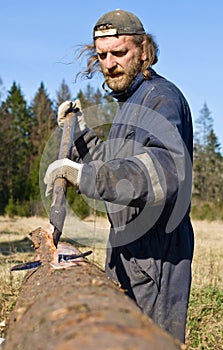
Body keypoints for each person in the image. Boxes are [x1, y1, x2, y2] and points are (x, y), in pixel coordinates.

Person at [44, 9, 194, 343]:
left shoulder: (160, 99)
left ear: (144, 50)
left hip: (157, 257)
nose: (109, 63)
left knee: (151, 342)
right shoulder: (131, 106)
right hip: (127, 249)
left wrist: (86, 178)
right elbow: (113, 165)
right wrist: (80, 134)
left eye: (120, 53)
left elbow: (164, 170)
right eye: (102, 56)